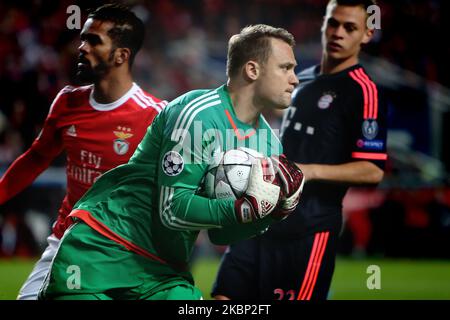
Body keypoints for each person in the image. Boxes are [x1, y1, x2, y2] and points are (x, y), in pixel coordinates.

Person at [37, 24, 304, 300]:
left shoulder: (269, 145)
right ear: (252, 70)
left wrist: (270, 214)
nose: (294, 79)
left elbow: (221, 236)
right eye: (286, 68)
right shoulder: (196, 114)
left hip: (162, 273)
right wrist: (244, 210)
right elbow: (172, 209)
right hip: (104, 248)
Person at [212, 0, 387, 300]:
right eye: (333, 23)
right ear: (323, 24)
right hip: (260, 218)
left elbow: (372, 170)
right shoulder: (299, 80)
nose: (338, 33)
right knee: (223, 298)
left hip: (308, 231)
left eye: (350, 27)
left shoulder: (363, 91)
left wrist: (308, 170)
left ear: (367, 35)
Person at [0, 4, 167, 300]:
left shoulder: (156, 116)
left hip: (128, 246)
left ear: (121, 55)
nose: (81, 47)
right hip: (69, 237)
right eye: (82, 38)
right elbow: (35, 159)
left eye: (94, 41)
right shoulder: (67, 102)